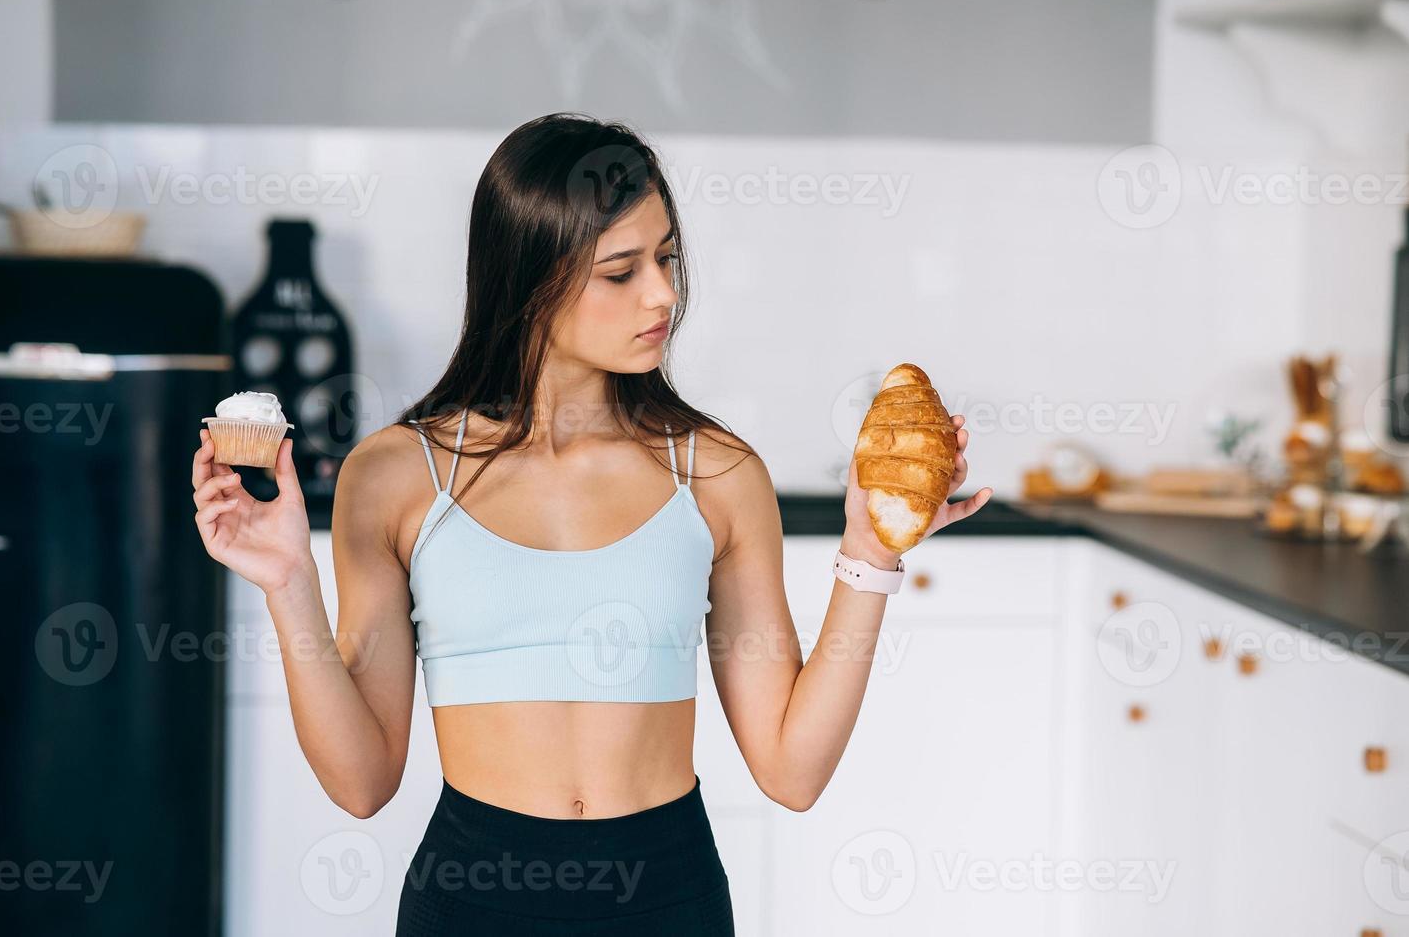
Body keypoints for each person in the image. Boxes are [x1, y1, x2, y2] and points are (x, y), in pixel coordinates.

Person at [190, 112, 991, 934]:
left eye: (668, 258)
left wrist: (870, 553)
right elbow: (361, 784)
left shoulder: (714, 473)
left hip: (668, 897)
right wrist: (288, 582)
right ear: (530, 279)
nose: (663, 295)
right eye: (622, 271)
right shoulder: (397, 475)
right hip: (472, 899)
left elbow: (793, 771)